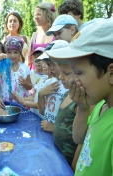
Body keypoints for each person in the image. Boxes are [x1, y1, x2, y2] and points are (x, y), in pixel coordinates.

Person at [46, 19, 113, 175]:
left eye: (79, 73)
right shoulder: (101, 106)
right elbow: (79, 139)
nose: (73, 80)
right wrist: (82, 108)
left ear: (111, 73)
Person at [50, 56, 81, 171]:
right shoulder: (66, 94)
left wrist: (73, 169)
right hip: (58, 155)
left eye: (66, 73)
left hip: (69, 162)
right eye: (61, 72)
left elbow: (81, 143)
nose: (60, 77)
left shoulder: (80, 102)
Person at [37, 41, 69, 132]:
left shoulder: (69, 87)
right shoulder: (50, 82)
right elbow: (42, 112)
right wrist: (40, 95)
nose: (50, 68)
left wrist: (54, 128)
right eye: (48, 64)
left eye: (53, 64)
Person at [0, 36, 32, 102]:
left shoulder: (25, 67)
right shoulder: (3, 66)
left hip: (22, 103)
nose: (12, 55)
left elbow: (30, 87)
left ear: (20, 53)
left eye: (15, 52)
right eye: (9, 52)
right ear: (5, 53)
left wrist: (25, 84)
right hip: (6, 103)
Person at [29, 2, 57, 69]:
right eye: (35, 15)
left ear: (48, 15)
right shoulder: (34, 35)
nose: (35, 17)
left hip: (51, 74)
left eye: (39, 14)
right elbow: (29, 58)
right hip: (35, 75)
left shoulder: (57, 34)